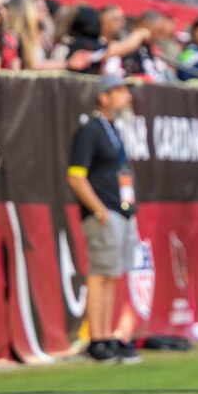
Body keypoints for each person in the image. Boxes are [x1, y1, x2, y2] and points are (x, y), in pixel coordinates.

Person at [68, 72, 144, 363]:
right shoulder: (90, 130)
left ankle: (107, 334)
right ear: (105, 96)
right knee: (100, 275)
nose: (127, 96)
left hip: (119, 211)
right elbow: (76, 177)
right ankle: (96, 339)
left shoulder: (112, 128)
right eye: (121, 91)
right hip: (105, 213)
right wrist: (99, 210)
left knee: (112, 275)